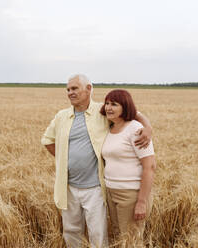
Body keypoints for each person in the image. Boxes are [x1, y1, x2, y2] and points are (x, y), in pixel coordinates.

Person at [41, 74, 152, 248]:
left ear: (89, 89)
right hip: (68, 186)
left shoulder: (103, 111)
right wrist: (65, 160)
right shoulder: (61, 116)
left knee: (97, 233)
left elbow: (132, 112)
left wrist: (147, 126)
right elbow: (47, 140)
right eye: (68, 89)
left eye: (75, 88)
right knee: (70, 231)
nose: (70, 92)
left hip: (95, 187)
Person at [100, 89, 156, 246]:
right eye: (107, 103)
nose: (108, 108)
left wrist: (142, 202)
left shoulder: (136, 129)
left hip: (130, 195)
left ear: (125, 107)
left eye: (114, 104)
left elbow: (150, 167)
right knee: (119, 238)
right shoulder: (111, 127)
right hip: (112, 193)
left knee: (131, 242)